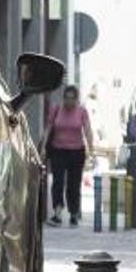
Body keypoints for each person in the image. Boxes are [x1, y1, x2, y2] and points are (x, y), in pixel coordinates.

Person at [44, 85, 94, 227]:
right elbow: (48, 128)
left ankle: (73, 213)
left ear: (76, 99)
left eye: (72, 99)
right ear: (63, 98)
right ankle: (58, 213)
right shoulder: (56, 109)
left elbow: (88, 130)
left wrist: (91, 149)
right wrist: (42, 148)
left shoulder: (82, 111)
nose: (69, 101)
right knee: (58, 181)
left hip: (76, 151)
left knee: (74, 183)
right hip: (58, 150)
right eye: (67, 98)